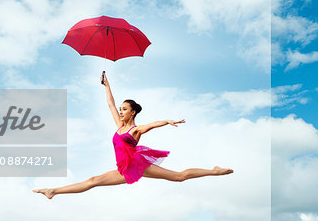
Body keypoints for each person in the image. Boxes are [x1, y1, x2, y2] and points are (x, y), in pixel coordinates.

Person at [33, 73, 233, 199]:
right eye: (121, 109)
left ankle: (213, 171)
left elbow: (151, 125)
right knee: (93, 180)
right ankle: (53, 191)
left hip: (137, 165)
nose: (120, 112)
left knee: (179, 177)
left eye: (124, 109)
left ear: (133, 112)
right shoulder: (119, 125)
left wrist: (167, 121)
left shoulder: (134, 130)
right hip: (124, 169)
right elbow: (110, 104)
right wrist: (107, 85)